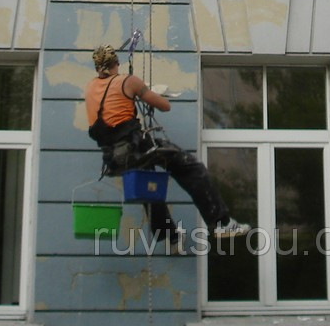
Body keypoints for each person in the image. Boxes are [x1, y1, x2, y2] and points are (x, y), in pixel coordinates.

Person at [84, 44, 247, 250]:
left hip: (114, 156)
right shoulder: (128, 81)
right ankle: (221, 223)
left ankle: (171, 237)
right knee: (190, 168)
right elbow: (164, 106)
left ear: (97, 67)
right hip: (137, 147)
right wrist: (145, 91)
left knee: (149, 186)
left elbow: (111, 107)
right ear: (116, 63)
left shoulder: (90, 87)